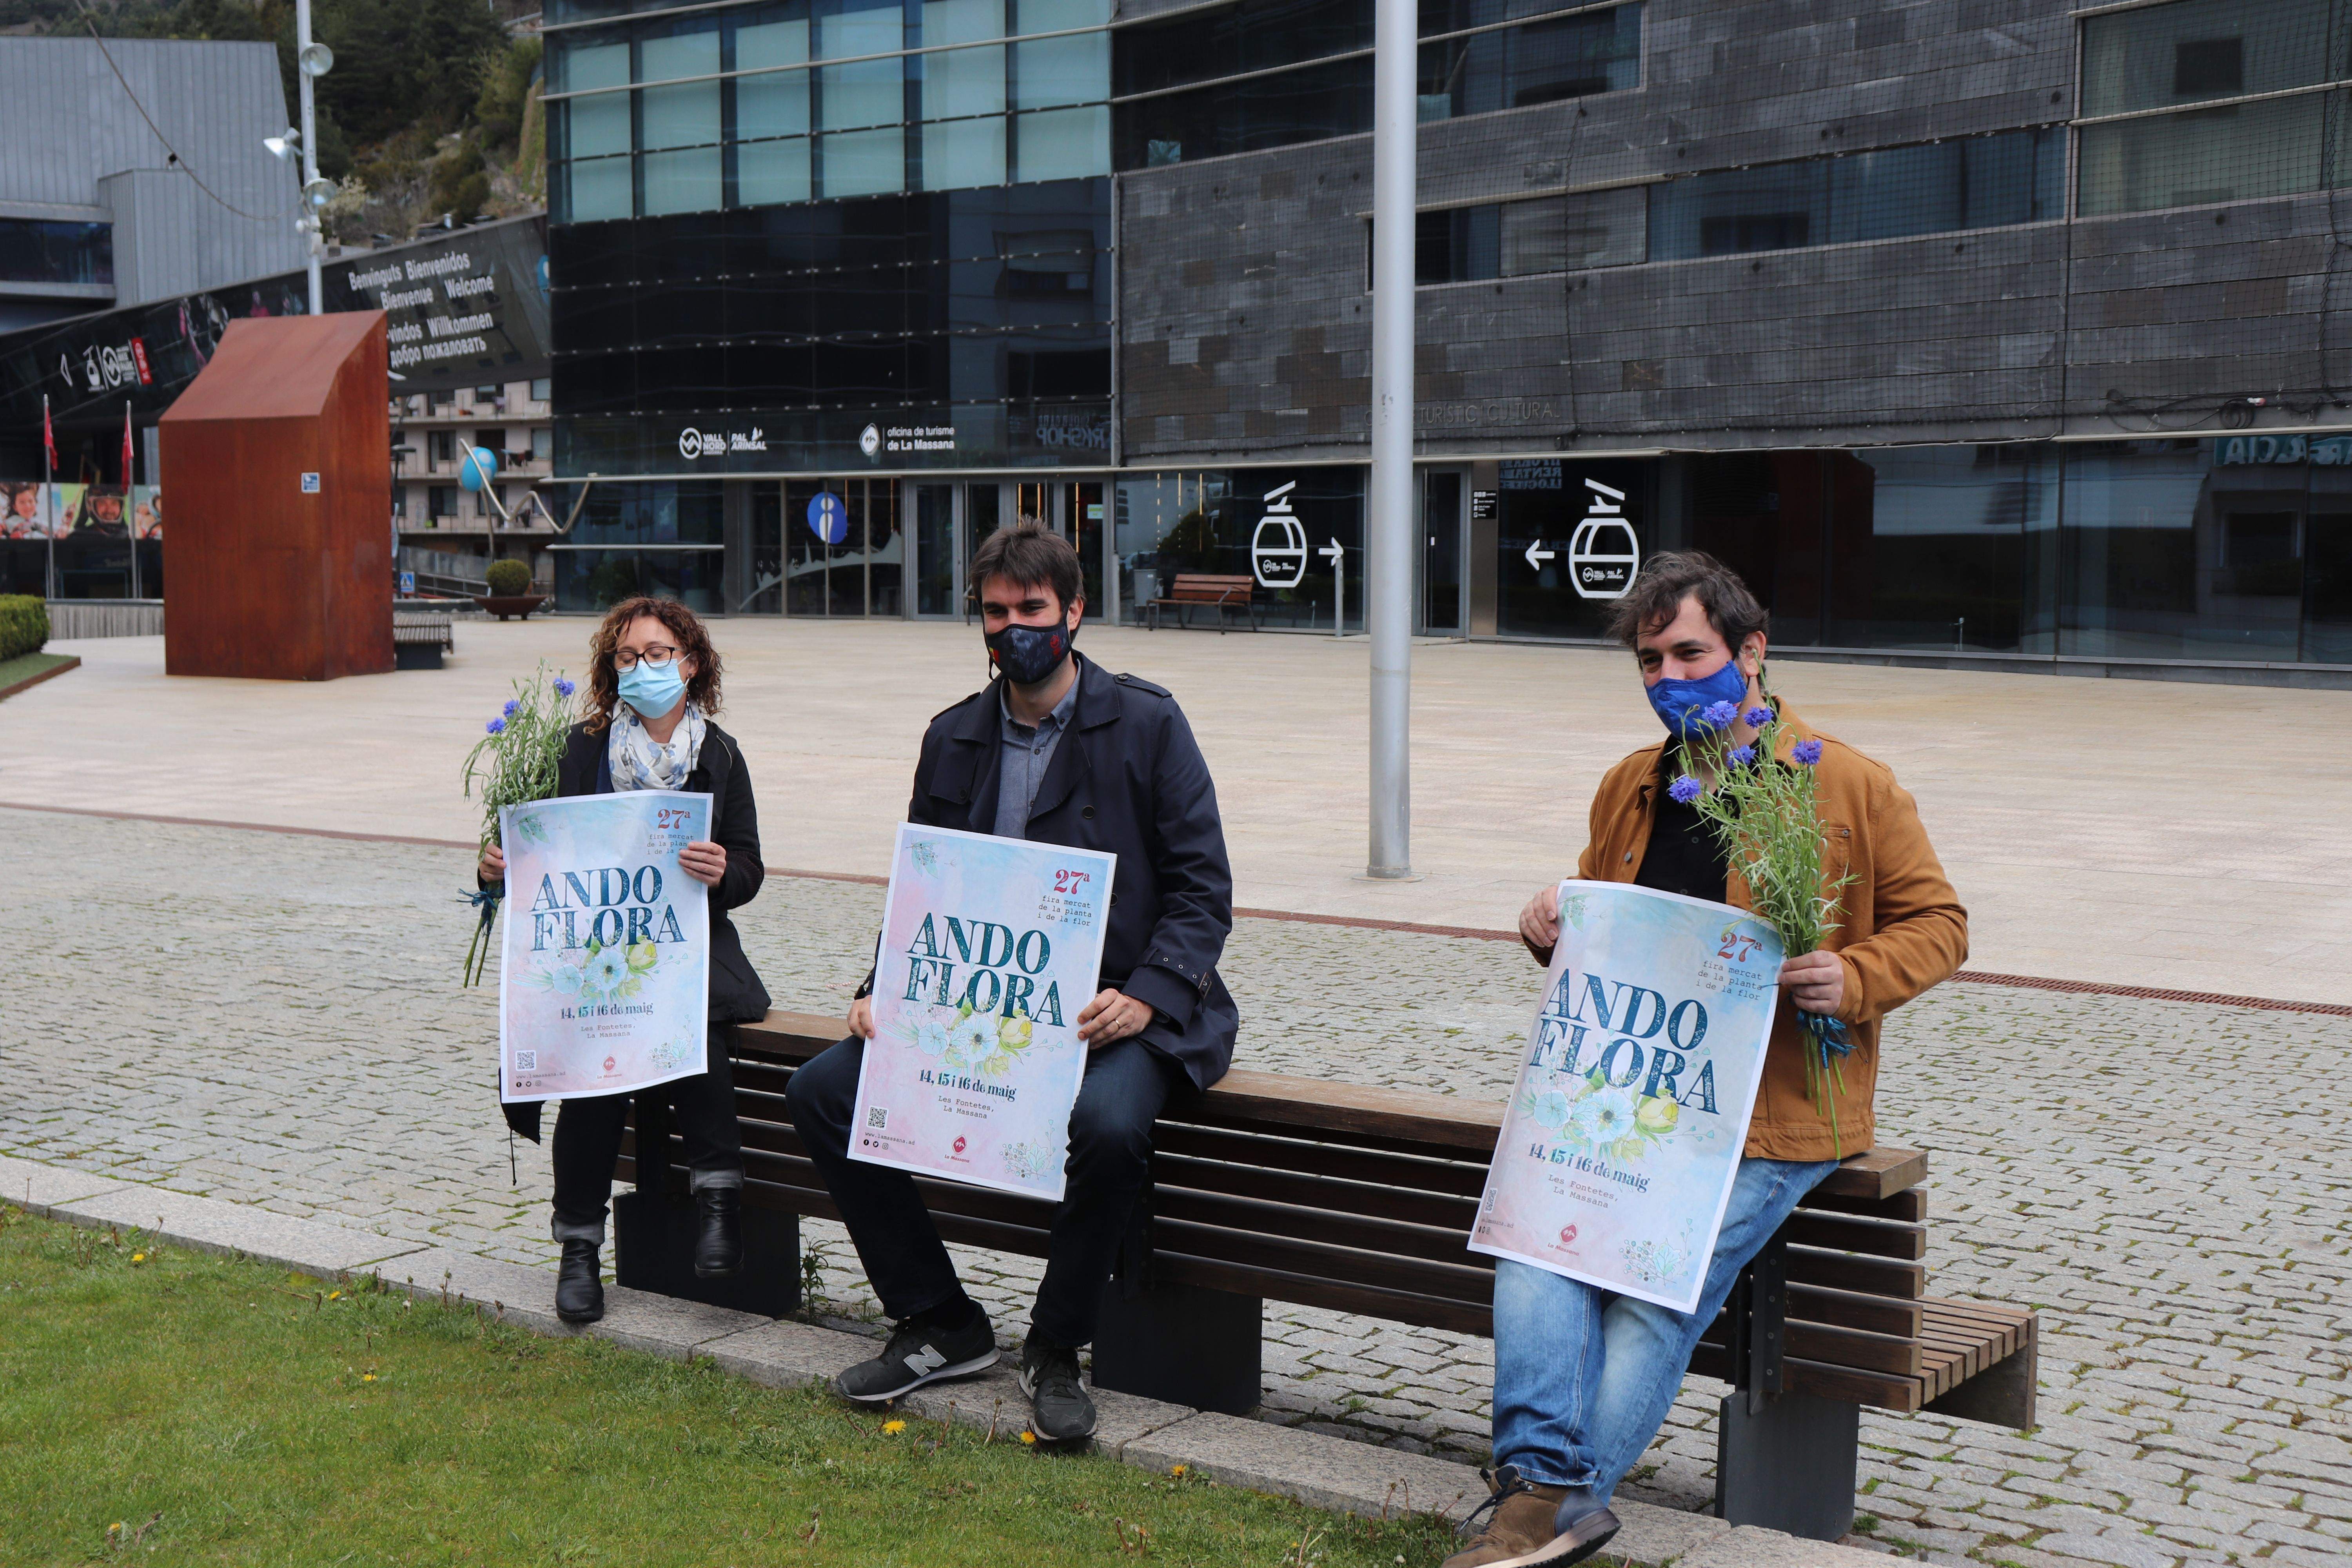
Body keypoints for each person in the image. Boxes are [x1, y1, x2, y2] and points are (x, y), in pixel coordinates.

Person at [1445, 552, 1968, 1568]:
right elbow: (1600, 915)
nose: (1669, 679)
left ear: (1753, 651)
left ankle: (1534, 1509)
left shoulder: (1849, 786)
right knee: (1534, 1236)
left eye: (1690, 652)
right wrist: (1548, 921)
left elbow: (1940, 924)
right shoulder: (1632, 787)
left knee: (1652, 1281)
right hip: (1630, 1094)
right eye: (1651, 662)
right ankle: (1550, 1500)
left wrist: (1852, 976)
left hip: (1773, 1118)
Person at [786, 519, 1236, 1443]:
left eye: (1031, 608)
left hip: (1108, 1009)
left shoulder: (1148, 723)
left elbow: (1203, 889)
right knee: (824, 1088)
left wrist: (1149, 991)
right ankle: (942, 1319)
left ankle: (1058, 1344)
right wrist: (884, 985)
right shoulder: (952, 735)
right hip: (977, 998)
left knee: (1107, 1123)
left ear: (1074, 610)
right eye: (995, 612)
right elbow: (925, 889)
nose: (1012, 627)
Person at [477, 596, 770, 1326]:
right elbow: (540, 849)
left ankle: (718, 1203)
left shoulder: (721, 754)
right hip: (593, 956)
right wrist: (500, 866)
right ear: (613, 667)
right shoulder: (580, 746)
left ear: (691, 662)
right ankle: (579, 1250)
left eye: (659, 654)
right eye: (629, 656)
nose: (644, 667)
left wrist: (719, 869)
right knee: (593, 1070)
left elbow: (751, 871)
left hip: (686, 951)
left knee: (693, 1031)